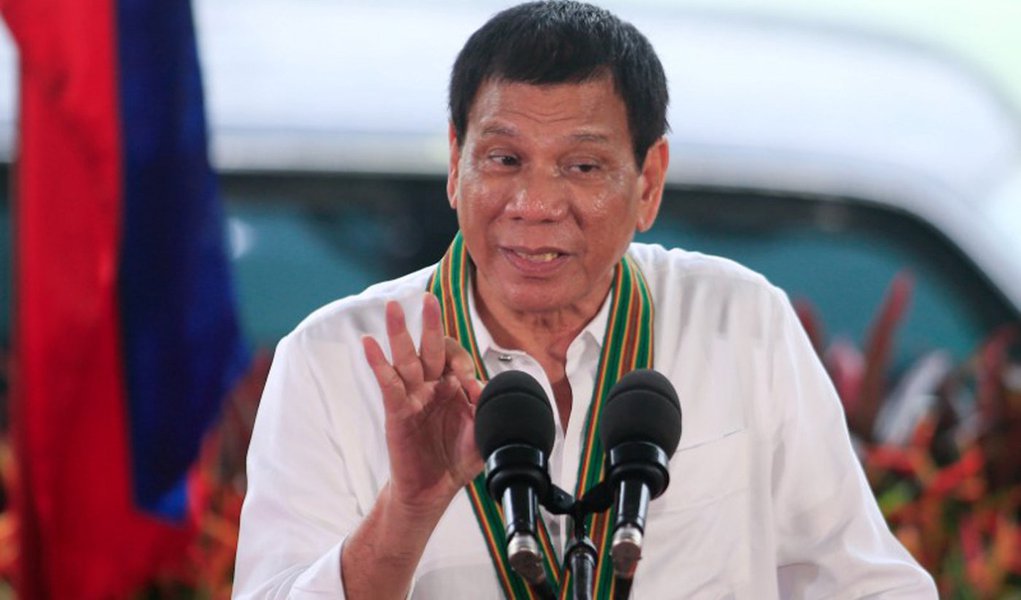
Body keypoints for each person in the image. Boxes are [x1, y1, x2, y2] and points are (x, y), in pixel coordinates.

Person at [233, 1, 938, 598]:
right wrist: (409, 507)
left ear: (649, 180)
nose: (534, 205)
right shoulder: (332, 361)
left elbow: (866, 583)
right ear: (455, 164)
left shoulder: (740, 323)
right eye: (504, 159)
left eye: (582, 166)